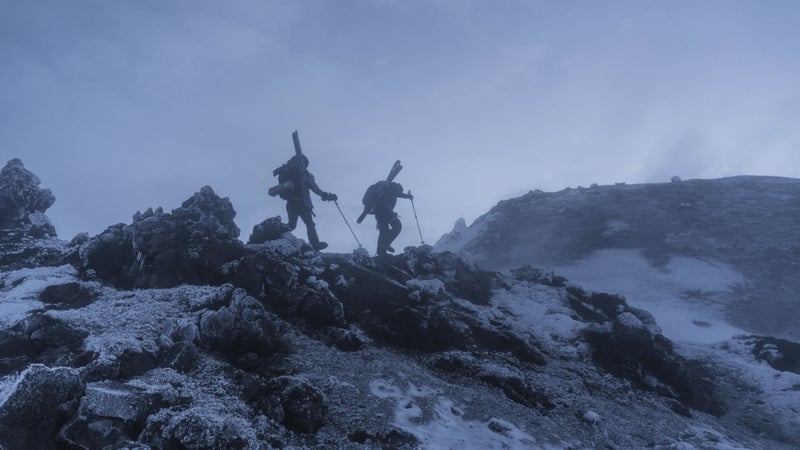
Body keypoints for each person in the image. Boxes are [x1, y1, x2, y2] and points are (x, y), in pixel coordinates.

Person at [272, 154, 336, 250]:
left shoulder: (287, 172)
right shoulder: (305, 176)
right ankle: (315, 245)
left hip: (291, 203)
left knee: (291, 225)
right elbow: (315, 189)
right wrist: (326, 196)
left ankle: (275, 231)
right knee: (310, 225)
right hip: (303, 204)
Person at [371, 181, 413, 256]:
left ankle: (381, 251)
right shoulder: (390, 191)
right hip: (385, 212)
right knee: (397, 226)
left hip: (379, 213)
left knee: (383, 231)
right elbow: (398, 194)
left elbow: (399, 194)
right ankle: (385, 245)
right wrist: (408, 196)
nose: (398, 194)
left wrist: (407, 196)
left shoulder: (388, 190)